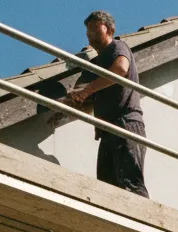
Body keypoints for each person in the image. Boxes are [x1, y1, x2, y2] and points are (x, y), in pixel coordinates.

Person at [56, 11, 150, 197]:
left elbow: (121, 69)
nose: (90, 35)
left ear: (110, 30)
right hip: (107, 131)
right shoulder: (95, 65)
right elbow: (84, 100)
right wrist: (69, 103)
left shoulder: (117, 47)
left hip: (126, 124)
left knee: (131, 184)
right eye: (88, 32)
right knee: (107, 191)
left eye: (95, 30)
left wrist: (87, 90)